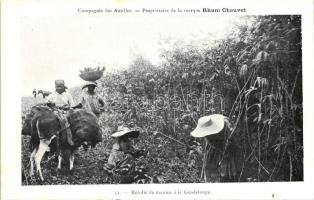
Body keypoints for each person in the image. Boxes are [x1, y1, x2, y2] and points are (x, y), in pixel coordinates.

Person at [190, 114, 239, 182]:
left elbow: (231, 141)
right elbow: (212, 143)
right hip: (215, 148)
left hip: (227, 147)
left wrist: (224, 153)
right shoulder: (209, 137)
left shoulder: (225, 124)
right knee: (211, 167)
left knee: (226, 170)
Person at [46, 79, 76, 146]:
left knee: (68, 121)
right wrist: (50, 104)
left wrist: (68, 107)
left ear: (64, 87)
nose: (59, 88)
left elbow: (72, 104)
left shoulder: (67, 95)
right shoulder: (52, 95)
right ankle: (49, 138)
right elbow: (47, 102)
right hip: (55, 110)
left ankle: (70, 137)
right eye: (58, 86)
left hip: (65, 110)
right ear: (55, 87)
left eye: (61, 86)